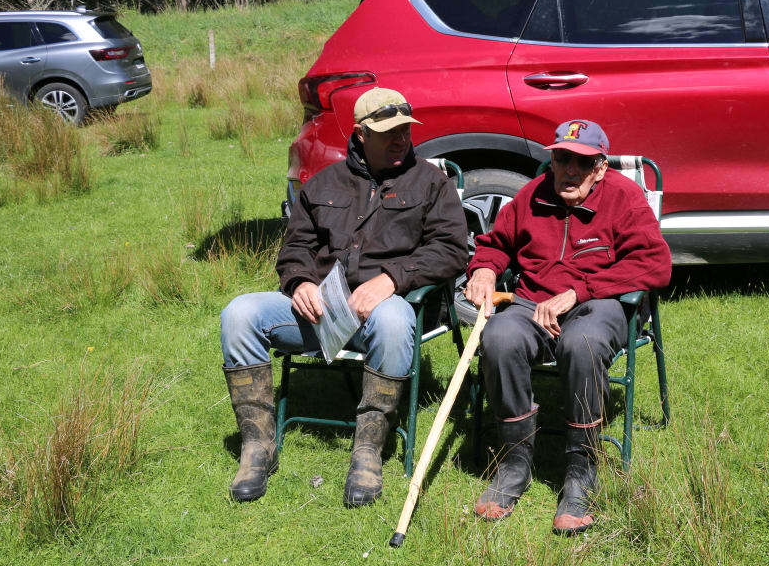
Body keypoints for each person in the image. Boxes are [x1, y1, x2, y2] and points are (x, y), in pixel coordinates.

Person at [220, 88, 468, 506]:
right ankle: (258, 446)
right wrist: (299, 282)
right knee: (239, 312)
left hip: (385, 313)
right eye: (388, 132)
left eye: (405, 129)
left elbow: (451, 250)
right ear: (360, 133)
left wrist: (392, 278)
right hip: (322, 313)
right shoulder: (323, 183)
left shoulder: (431, 183)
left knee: (392, 318)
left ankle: (368, 450)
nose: (400, 139)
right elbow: (295, 246)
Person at [464, 119, 671, 535]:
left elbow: (655, 264)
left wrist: (581, 291)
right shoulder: (531, 195)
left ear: (600, 167)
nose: (569, 170)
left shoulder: (625, 197)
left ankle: (581, 470)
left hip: (600, 303)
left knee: (583, 343)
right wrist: (485, 270)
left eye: (581, 162)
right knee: (499, 337)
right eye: (561, 159)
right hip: (532, 302)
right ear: (552, 160)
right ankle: (515, 463)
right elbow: (495, 244)